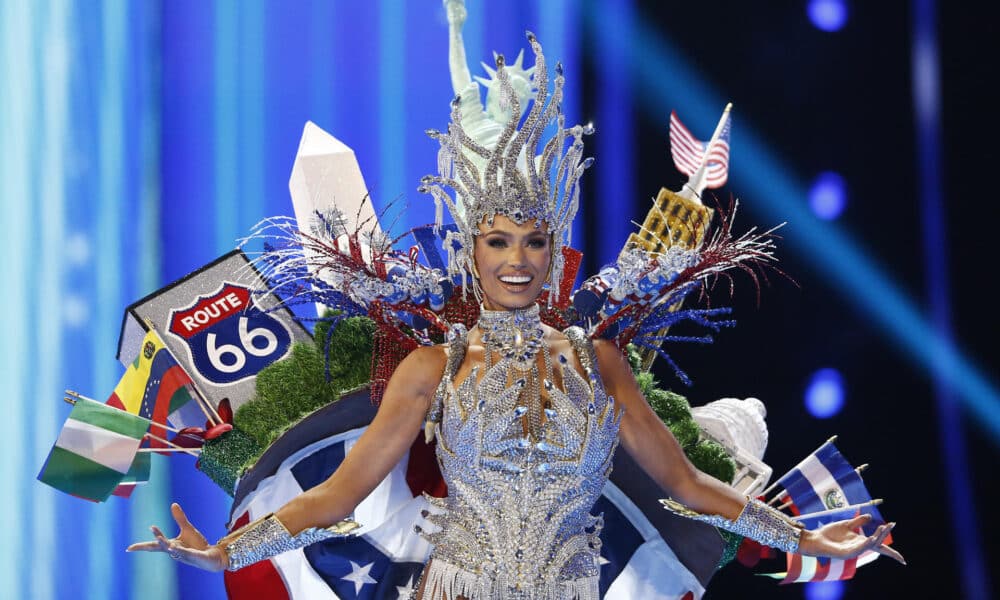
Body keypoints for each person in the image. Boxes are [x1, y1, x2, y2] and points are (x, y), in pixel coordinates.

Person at [127, 21, 903, 600]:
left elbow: (689, 488)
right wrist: (227, 555)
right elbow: (339, 494)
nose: (518, 260)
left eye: (535, 241)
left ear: (552, 246)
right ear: (474, 250)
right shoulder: (435, 367)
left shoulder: (597, 364)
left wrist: (807, 537)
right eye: (498, 241)